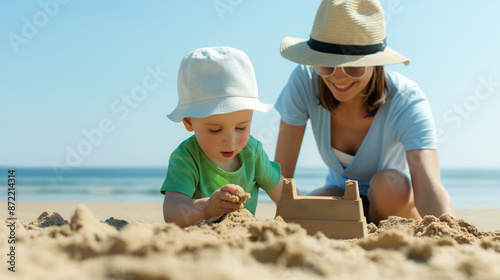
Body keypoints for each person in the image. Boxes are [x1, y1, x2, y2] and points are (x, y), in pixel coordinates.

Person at [274, 0, 455, 224]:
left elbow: (428, 187)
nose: (338, 78)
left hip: (392, 199)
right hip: (342, 193)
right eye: (326, 64)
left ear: (376, 63)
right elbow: (282, 177)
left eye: (353, 66)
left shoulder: (407, 100)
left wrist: (450, 230)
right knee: (308, 209)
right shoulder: (305, 80)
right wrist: (285, 221)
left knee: (388, 186)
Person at [161, 46, 285, 227]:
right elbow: (171, 213)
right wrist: (207, 208)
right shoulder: (186, 158)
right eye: (215, 130)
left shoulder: (253, 153)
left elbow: (285, 196)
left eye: (242, 127)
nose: (230, 141)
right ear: (188, 122)